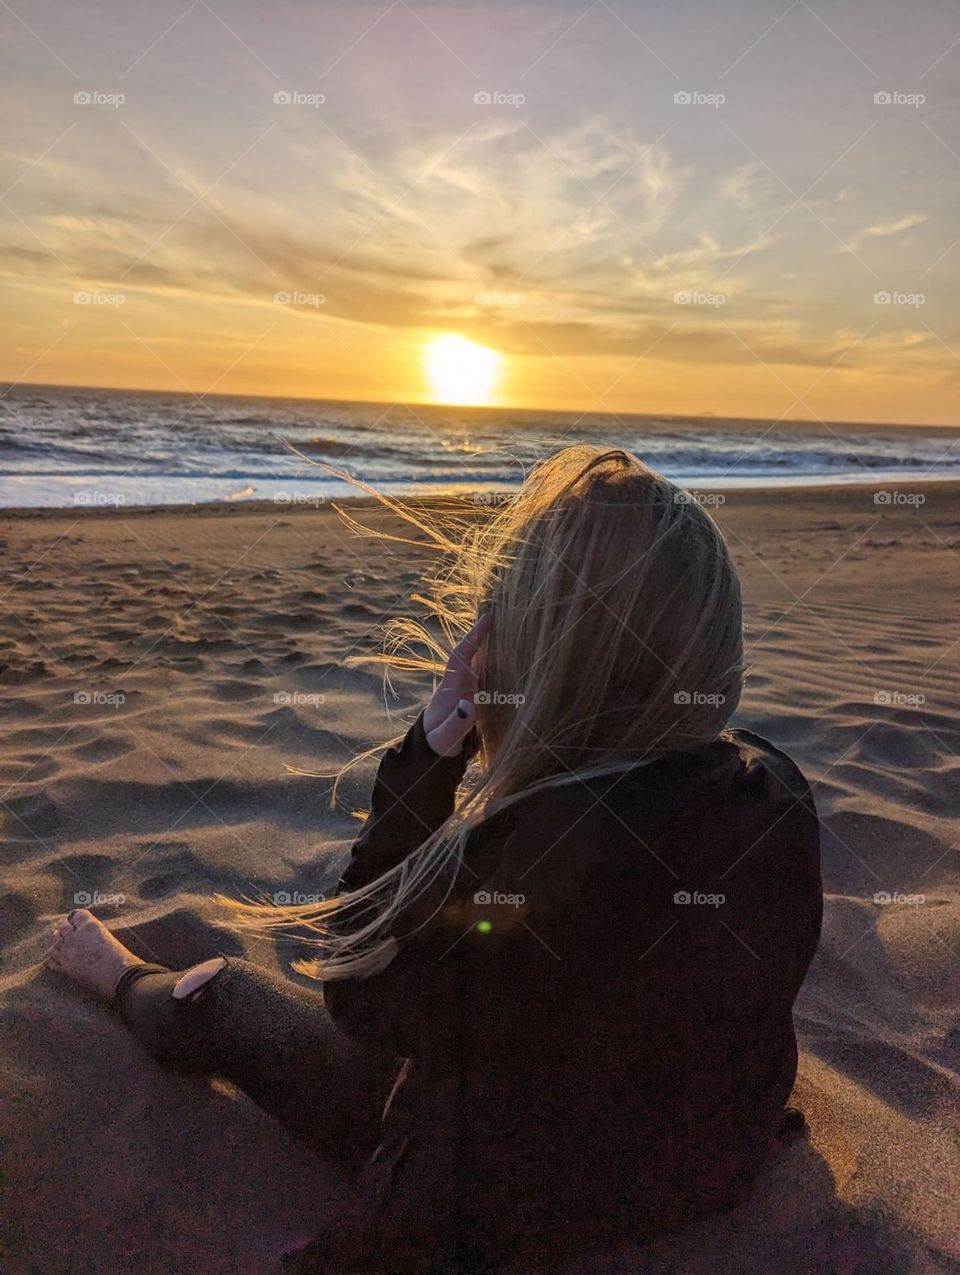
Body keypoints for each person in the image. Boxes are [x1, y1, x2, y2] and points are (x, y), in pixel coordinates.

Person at [49, 447, 822, 1274]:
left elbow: (357, 985)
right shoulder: (772, 792)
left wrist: (429, 753)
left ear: (520, 652)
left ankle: (119, 974)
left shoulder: (523, 860)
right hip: (701, 1171)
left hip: (493, 1211)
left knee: (216, 993)